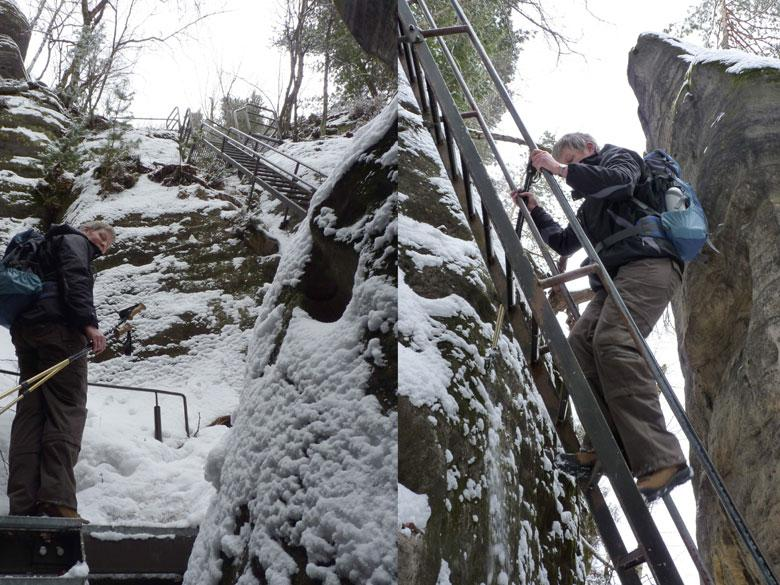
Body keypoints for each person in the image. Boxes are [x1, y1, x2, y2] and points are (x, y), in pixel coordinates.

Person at [511, 133, 691, 501]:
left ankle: (662, 459)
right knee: (578, 345)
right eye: (568, 163)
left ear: (590, 149)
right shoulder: (592, 206)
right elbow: (564, 242)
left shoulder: (621, 160)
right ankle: (604, 449)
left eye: (574, 160)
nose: (571, 169)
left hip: (648, 263)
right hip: (613, 278)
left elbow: (620, 181)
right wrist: (535, 209)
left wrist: (559, 169)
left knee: (613, 341)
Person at [7, 220, 114, 519]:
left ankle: (23, 504)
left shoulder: (44, 248)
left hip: (27, 333)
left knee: (31, 413)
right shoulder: (74, 241)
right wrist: (89, 325)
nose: (102, 245)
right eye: (101, 236)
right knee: (66, 408)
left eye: (107, 244)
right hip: (60, 332)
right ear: (85, 229)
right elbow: (75, 278)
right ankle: (56, 500)